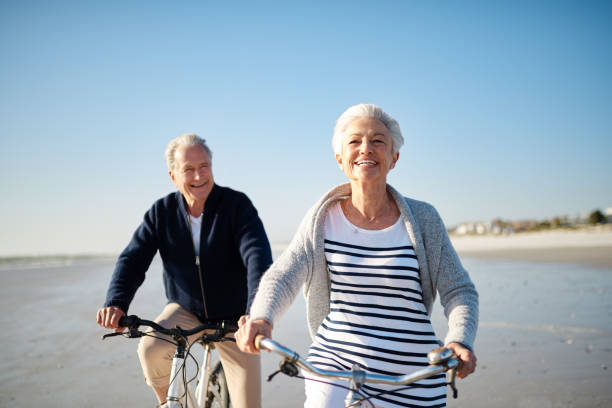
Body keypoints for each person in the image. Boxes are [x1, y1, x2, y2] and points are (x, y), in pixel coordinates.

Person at [235, 104, 478, 408]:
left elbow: (459, 290)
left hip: (414, 371)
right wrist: (262, 318)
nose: (366, 148)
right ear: (340, 159)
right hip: (335, 363)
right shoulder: (322, 218)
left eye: (378, 141)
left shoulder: (424, 218)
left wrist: (459, 339)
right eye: (354, 141)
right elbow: (284, 274)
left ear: (394, 157)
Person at [97, 133, 273, 408]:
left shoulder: (237, 206)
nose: (199, 175)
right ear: (173, 175)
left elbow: (257, 257)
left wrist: (255, 312)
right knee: (150, 348)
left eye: (204, 166)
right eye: (189, 169)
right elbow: (133, 259)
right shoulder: (161, 212)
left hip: (236, 317)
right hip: (186, 310)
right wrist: (117, 303)